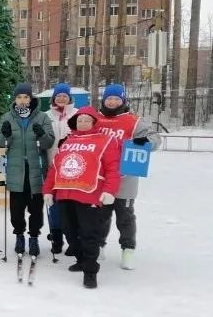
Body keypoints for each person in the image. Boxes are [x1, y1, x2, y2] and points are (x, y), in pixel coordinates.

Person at [43, 106, 121, 289]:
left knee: (89, 234)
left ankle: (90, 271)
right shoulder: (68, 141)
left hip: (89, 194)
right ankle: (80, 259)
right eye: (80, 120)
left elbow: (113, 168)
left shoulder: (105, 141)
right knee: (69, 231)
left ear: (94, 122)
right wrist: (48, 190)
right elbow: (55, 167)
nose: (83, 123)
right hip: (65, 193)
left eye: (87, 120)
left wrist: (110, 190)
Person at [96, 84, 161, 269]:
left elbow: (156, 139)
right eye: (109, 98)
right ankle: (98, 245)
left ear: (123, 100)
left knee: (125, 216)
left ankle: (128, 249)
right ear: (104, 100)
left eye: (117, 99)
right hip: (100, 177)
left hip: (125, 178)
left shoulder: (134, 121)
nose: (113, 102)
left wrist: (145, 141)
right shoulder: (96, 118)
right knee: (100, 215)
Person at [0, 83, 55, 257]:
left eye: (26, 97)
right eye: (19, 97)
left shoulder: (42, 117)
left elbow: (48, 142)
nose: (22, 101)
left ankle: (34, 237)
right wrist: (5, 134)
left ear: (31, 99)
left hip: (35, 170)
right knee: (16, 210)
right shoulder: (8, 117)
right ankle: (19, 235)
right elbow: (1, 141)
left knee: (35, 209)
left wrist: (42, 134)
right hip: (16, 171)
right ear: (15, 99)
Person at [45, 83, 78, 255]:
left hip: (74, 168)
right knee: (55, 206)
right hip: (53, 166)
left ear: (69, 98)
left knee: (72, 206)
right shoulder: (46, 116)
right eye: (59, 96)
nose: (62, 98)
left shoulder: (78, 114)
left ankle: (74, 240)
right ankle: (56, 237)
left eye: (65, 96)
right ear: (54, 98)